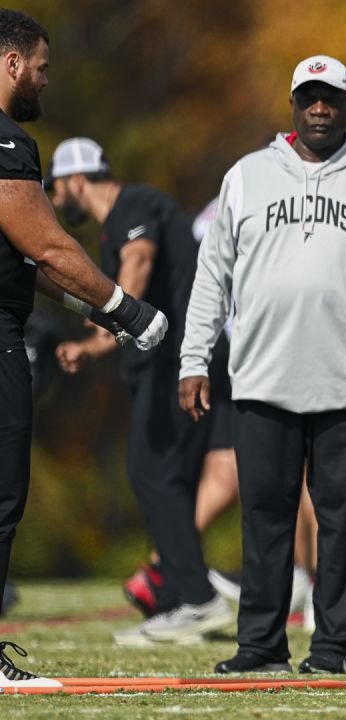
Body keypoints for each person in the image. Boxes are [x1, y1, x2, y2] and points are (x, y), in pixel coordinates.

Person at [179, 54, 346, 675]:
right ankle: (260, 647)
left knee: (345, 525)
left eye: (332, 98)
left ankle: (332, 650)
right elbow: (211, 278)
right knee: (265, 520)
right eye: (309, 97)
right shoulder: (246, 175)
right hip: (262, 381)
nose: (320, 108)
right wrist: (194, 359)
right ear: (293, 103)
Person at [0, 9, 168, 687]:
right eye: (41, 65)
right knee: (3, 497)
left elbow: (25, 268)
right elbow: (46, 246)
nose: (45, 78)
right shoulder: (8, 143)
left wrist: (93, 313)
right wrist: (128, 309)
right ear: (11, 62)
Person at [47, 137, 236, 646]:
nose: (56, 199)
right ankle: (183, 597)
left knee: (153, 475)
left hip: (180, 364)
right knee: (165, 477)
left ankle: (197, 599)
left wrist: (96, 339)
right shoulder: (119, 221)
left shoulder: (134, 206)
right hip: (174, 365)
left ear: (75, 181)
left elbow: (140, 260)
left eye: (56, 188)